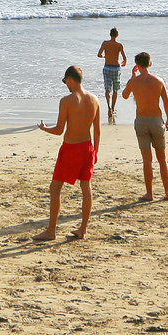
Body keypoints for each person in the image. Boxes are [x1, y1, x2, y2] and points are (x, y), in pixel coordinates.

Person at [35, 65, 101, 241]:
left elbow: (59, 130)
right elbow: (97, 131)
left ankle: (51, 231)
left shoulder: (67, 101)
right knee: (86, 187)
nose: (66, 85)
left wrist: (44, 128)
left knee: (55, 188)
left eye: (65, 81)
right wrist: (95, 151)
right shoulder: (94, 99)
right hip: (88, 148)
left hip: (71, 148)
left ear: (70, 80)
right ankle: (83, 229)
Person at [122, 51, 168, 201]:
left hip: (142, 121)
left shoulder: (133, 82)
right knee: (162, 158)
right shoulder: (159, 81)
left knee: (147, 160)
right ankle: (167, 192)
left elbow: (125, 95)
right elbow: (166, 103)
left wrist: (133, 76)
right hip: (156, 121)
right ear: (150, 64)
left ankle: (149, 194)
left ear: (137, 65)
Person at [96, 28, 128, 123]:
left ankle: (109, 108)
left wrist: (105, 56)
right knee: (115, 90)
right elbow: (124, 58)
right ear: (117, 35)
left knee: (107, 89)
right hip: (116, 68)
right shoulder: (119, 45)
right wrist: (124, 62)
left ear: (110, 34)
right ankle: (113, 108)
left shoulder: (105, 43)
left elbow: (99, 54)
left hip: (107, 67)